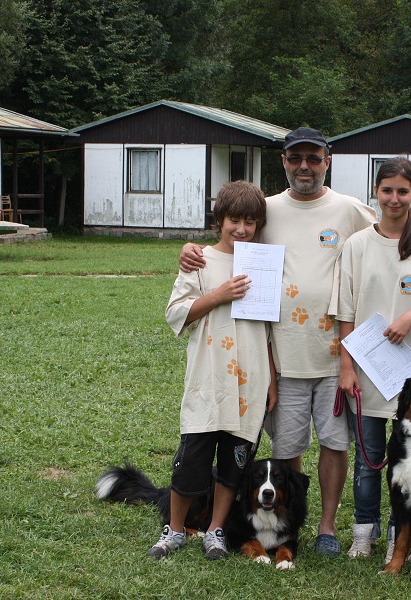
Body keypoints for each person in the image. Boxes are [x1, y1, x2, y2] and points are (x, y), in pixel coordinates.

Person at [179, 127, 411, 557]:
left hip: (337, 356)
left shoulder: (347, 209)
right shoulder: (265, 210)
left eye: (313, 158)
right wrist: (191, 249)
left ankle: (327, 527)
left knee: (334, 443)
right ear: (284, 160)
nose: (304, 166)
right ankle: (292, 521)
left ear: (328, 160)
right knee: (287, 448)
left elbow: (395, 221)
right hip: (282, 356)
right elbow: (230, 236)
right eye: (295, 158)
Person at [335, 157, 411, 561]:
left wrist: (410, 318)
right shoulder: (356, 246)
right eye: (387, 190)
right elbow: (345, 312)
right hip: (367, 376)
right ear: (377, 193)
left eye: (403, 191)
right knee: (368, 462)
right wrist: (346, 367)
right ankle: (363, 535)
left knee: (406, 466)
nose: (394, 198)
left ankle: (396, 537)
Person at [151, 180, 277, 560]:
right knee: (191, 461)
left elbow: (271, 327)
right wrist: (218, 296)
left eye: (250, 222)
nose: (241, 229)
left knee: (233, 465)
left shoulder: (264, 263)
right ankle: (173, 530)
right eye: (234, 220)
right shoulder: (200, 260)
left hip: (251, 381)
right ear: (219, 220)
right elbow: (176, 313)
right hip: (208, 379)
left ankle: (215, 531)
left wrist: (272, 378)